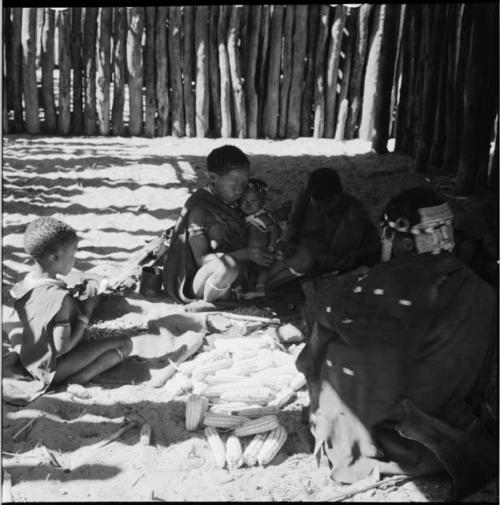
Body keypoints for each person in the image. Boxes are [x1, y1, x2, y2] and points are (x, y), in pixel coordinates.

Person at [296, 187, 498, 499]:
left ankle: (354, 435)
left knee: (328, 342)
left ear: (404, 241)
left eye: (388, 235)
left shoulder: (382, 283)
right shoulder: (483, 291)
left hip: (396, 422)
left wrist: (311, 361)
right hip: (449, 422)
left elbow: (326, 317)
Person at [9, 217, 134, 396]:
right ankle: (77, 380)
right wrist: (85, 314)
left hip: (30, 359)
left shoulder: (22, 286)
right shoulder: (60, 299)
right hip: (52, 369)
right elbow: (62, 348)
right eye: (73, 254)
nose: (74, 259)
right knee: (125, 343)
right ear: (54, 257)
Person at [163, 145, 274, 306]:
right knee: (226, 267)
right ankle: (209, 302)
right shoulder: (200, 209)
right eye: (234, 183)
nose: (240, 189)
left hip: (243, 273)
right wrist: (246, 254)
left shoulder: (241, 201)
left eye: (244, 183)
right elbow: (203, 260)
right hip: (204, 279)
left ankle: (243, 291)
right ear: (213, 178)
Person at [267, 167, 379, 290]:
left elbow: (370, 246)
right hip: (300, 256)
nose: (323, 211)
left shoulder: (353, 211)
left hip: (328, 264)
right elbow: (292, 225)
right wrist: (283, 242)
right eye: (318, 207)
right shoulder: (304, 198)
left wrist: (354, 254)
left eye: (328, 205)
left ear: (338, 196)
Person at [239, 178, 282, 299]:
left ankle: (260, 289)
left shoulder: (263, 216)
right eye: (244, 200)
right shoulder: (244, 215)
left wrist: (271, 247)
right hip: (249, 253)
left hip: (263, 252)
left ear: (263, 201)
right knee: (249, 271)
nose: (248, 204)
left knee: (262, 270)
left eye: (253, 200)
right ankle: (246, 289)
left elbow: (274, 230)